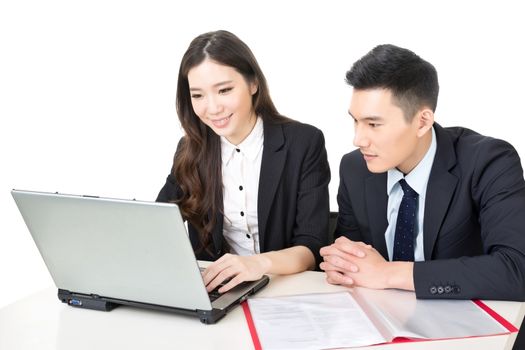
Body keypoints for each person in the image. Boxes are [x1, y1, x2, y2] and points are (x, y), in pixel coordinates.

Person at [320, 44, 525, 301]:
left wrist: (388, 273)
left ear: (422, 122)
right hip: (381, 318)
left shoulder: (488, 161)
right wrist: (341, 265)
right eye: (355, 120)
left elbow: (516, 270)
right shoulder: (354, 168)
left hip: (467, 325)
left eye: (373, 124)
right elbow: (349, 257)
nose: (358, 139)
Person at [157, 30, 330, 294]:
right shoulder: (190, 148)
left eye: (224, 90)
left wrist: (257, 264)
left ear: (253, 84)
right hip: (217, 292)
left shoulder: (303, 142)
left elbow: (311, 245)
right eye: (198, 95)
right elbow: (158, 223)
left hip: (283, 288)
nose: (212, 108)